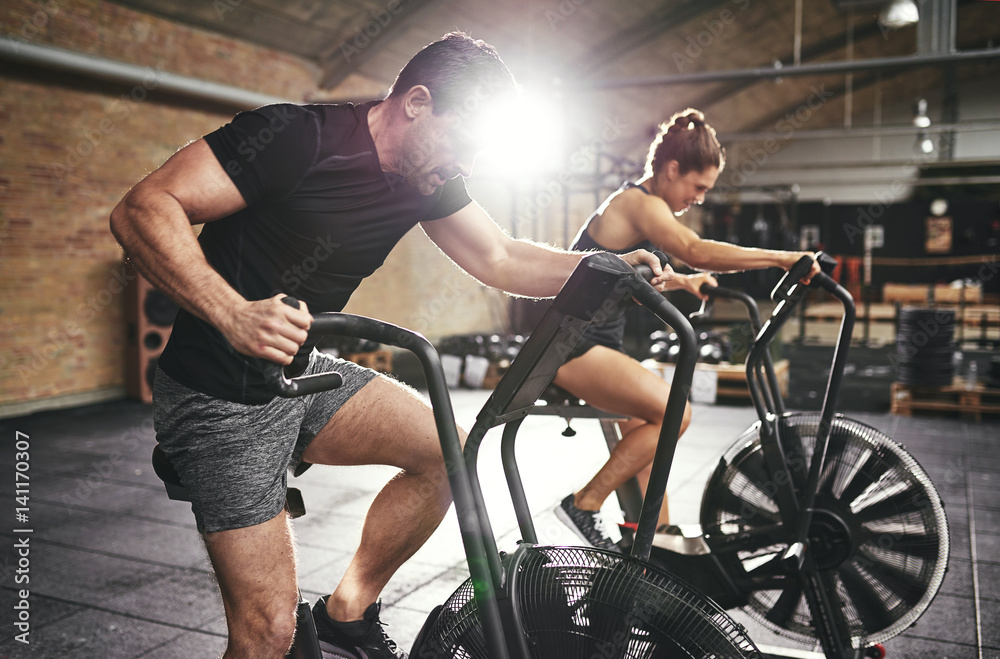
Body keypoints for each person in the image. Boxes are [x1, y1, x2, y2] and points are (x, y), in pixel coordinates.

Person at [110, 32, 682, 659]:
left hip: (298, 376)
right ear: (416, 103)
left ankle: (346, 613)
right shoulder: (297, 140)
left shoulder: (427, 174)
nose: (464, 167)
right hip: (217, 396)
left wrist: (606, 266)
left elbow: (501, 257)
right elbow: (143, 207)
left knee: (447, 452)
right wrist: (231, 312)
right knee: (267, 634)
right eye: (463, 144)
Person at [552, 108, 820, 551]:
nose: (698, 198)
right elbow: (694, 248)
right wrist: (783, 258)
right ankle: (584, 503)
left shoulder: (641, 207)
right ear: (672, 169)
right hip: (569, 347)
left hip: (594, 344)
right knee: (676, 413)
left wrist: (683, 281)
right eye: (698, 187)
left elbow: (634, 276)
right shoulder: (639, 204)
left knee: (649, 430)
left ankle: (651, 538)